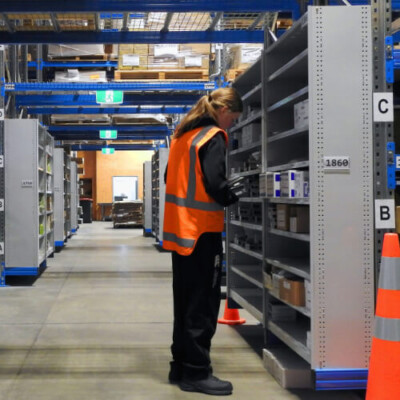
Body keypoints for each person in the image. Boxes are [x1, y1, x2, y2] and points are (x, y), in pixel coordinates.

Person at [163, 87, 243, 396]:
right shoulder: (212, 137)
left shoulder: (182, 138)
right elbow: (214, 183)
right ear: (222, 111)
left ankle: (180, 365)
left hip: (180, 234)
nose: (231, 126)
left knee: (183, 303)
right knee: (203, 304)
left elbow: (174, 177)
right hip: (202, 232)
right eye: (233, 119)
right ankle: (197, 372)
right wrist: (233, 194)